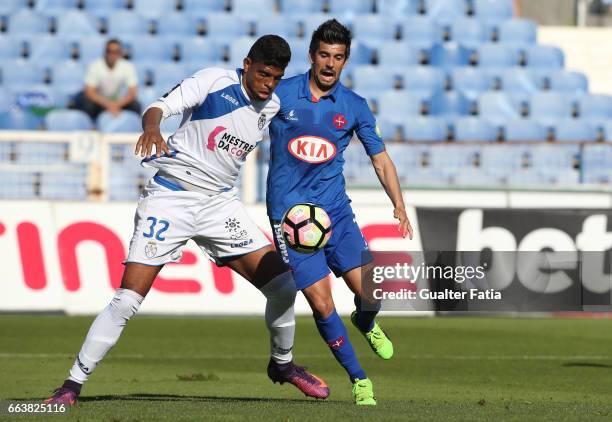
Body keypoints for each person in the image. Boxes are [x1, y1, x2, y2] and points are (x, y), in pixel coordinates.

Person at [45, 35, 329, 406]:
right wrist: (152, 129)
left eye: (276, 78)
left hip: (218, 205)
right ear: (247, 65)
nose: (268, 84)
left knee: (282, 286)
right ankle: (71, 386)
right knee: (128, 298)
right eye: (263, 74)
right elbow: (158, 108)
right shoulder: (213, 81)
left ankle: (283, 365)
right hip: (171, 198)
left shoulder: (271, 105)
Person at [266, 20, 414, 406]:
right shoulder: (281, 95)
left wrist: (398, 205)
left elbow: (380, 160)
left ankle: (365, 321)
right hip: (291, 220)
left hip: (335, 214)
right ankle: (359, 379)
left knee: (371, 294)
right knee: (322, 303)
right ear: (312, 56)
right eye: (324, 55)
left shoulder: (354, 106)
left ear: (345, 61)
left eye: (338, 57)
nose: (330, 64)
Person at [73, 38, 141, 120]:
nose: (112, 55)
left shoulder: (127, 66)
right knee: (87, 104)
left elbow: (133, 92)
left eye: (115, 52)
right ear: (105, 52)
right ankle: (91, 127)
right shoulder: (95, 66)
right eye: (109, 51)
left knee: (135, 105)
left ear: (120, 53)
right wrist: (108, 104)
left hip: (118, 102)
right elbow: (89, 91)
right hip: (99, 102)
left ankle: (134, 126)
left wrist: (117, 104)